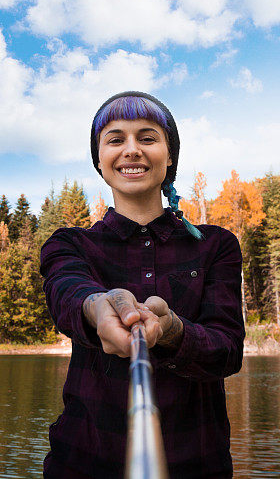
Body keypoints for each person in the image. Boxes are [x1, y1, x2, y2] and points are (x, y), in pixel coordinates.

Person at [39, 91, 245, 478]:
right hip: (79, 465)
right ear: (99, 161)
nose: (131, 150)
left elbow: (227, 349)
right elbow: (67, 290)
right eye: (115, 140)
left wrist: (172, 330)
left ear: (170, 157)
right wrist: (96, 307)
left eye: (147, 138)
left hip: (199, 466)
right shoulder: (68, 244)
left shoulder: (217, 245)